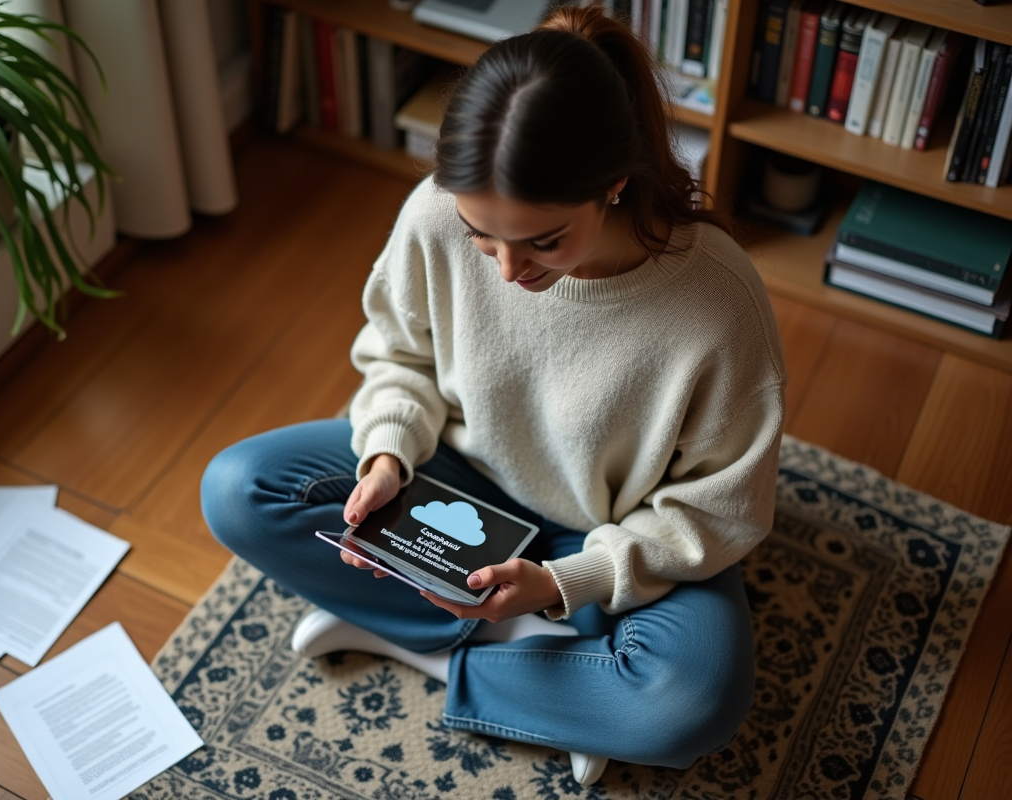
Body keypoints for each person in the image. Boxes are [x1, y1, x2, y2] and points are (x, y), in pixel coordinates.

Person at [202, 5, 786, 787]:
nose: (508, 270)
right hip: (460, 487)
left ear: (612, 184)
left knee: (689, 703)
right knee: (238, 490)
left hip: (618, 535)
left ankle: (439, 637)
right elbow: (399, 356)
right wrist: (385, 454)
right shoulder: (435, 215)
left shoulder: (715, 304)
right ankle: (542, 666)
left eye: (544, 240)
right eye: (483, 234)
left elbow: (719, 509)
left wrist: (562, 583)